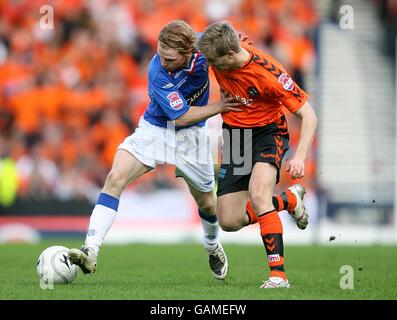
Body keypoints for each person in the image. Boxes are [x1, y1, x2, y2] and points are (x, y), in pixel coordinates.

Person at [68, 20, 243, 280]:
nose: (163, 61)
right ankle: (91, 251)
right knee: (115, 177)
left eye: (169, 58)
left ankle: (212, 245)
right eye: (160, 54)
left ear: (187, 52)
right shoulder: (156, 70)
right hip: (157, 128)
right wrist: (220, 106)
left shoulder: (204, 46)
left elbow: (235, 45)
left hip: (192, 137)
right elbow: (180, 116)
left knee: (207, 202)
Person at [197, 21, 318, 288]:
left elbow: (308, 115)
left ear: (230, 54)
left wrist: (299, 157)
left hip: (268, 133)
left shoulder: (269, 73)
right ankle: (288, 201)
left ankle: (278, 275)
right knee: (229, 220)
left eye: (215, 62)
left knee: (260, 195)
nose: (211, 66)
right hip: (236, 137)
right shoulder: (219, 50)